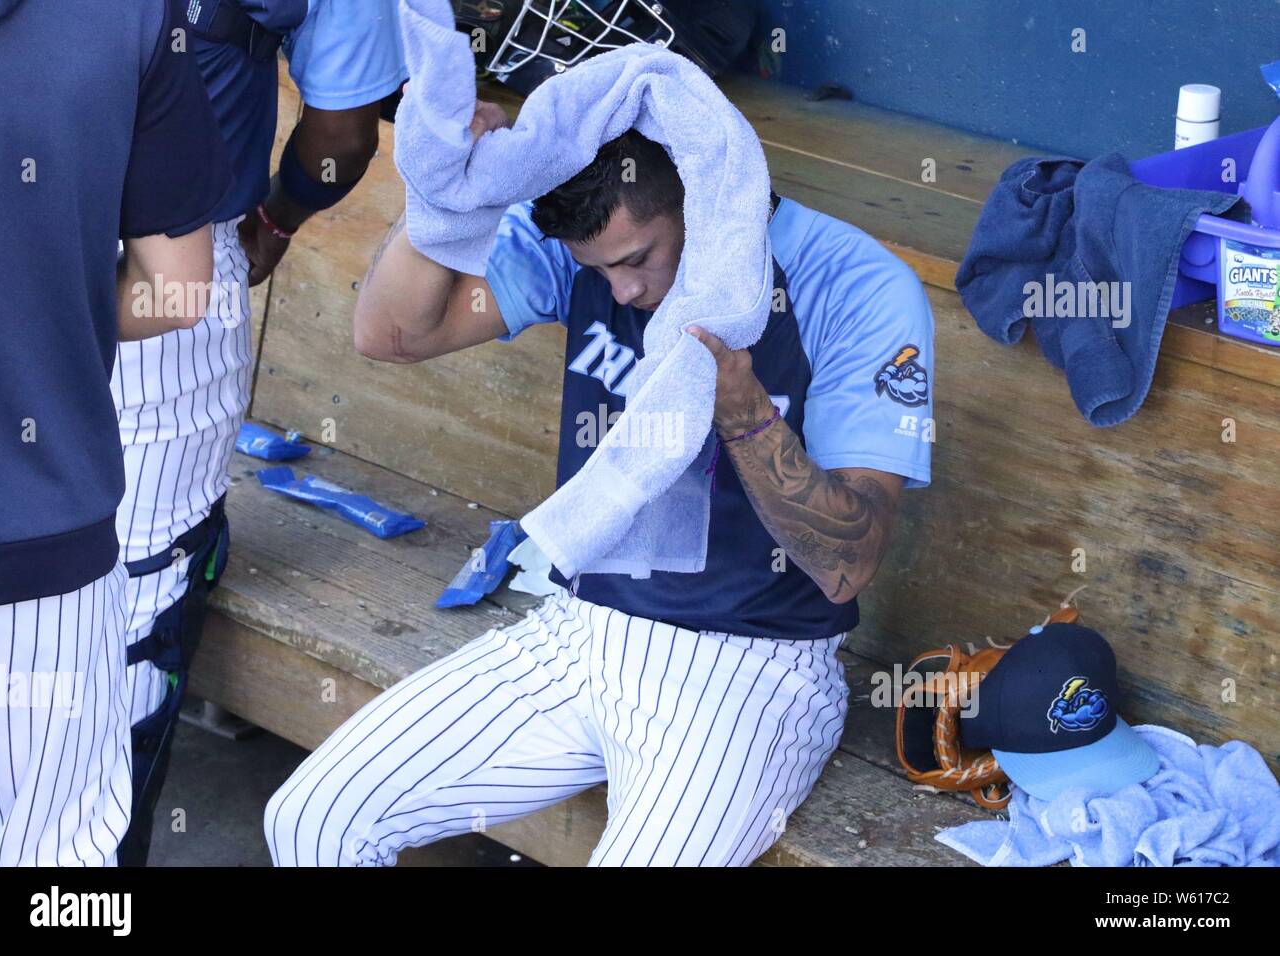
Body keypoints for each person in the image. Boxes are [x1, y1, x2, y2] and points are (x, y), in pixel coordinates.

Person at [264, 114, 936, 865]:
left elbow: (849, 563)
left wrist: (744, 413)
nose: (626, 289)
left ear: (709, 198)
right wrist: (451, 197)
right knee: (314, 819)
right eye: (600, 270)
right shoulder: (590, 248)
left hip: (751, 668)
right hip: (578, 630)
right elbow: (388, 333)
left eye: (640, 258)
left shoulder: (850, 283)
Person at [112, 0, 410, 866]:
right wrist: (278, 217)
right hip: (175, 275)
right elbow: (343, 137)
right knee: (132, 613)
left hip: (16, 244)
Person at [0, 0, 230, 865]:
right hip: (43, 540)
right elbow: (179, 288)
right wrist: (45, 318)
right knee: (65, 867)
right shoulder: (130, 15)